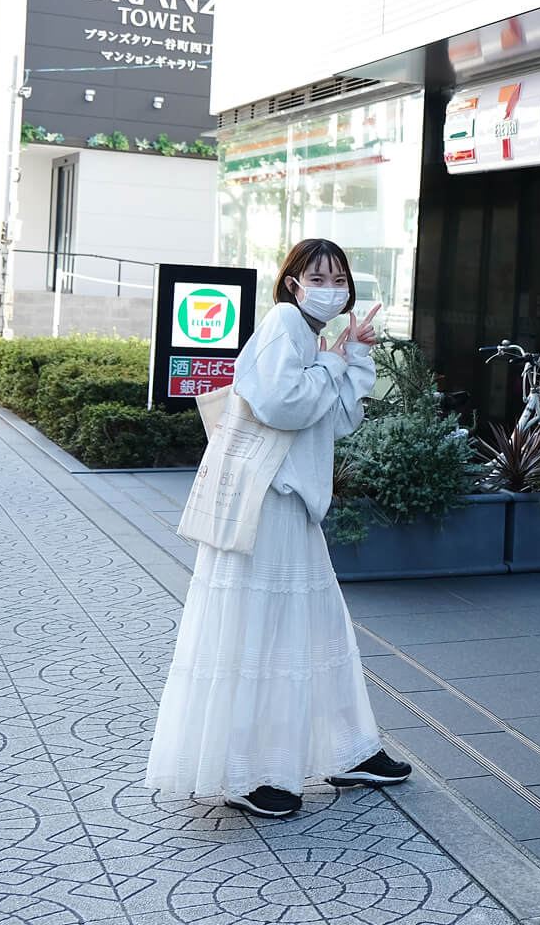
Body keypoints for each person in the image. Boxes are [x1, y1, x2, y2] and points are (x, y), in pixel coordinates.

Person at [146, 238, 412, 818]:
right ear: (292, 281)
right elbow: (281, 404)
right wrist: (334, 360)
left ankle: (347, 750)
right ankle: (248, 773)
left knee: (310, 629)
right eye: (317, 276)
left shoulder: (310, 337)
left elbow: (338, 417)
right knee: (263, 634)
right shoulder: (283, 323)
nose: (330, 287)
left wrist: (351, 352)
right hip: (266, 506)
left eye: (339, 278)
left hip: (290, 508)